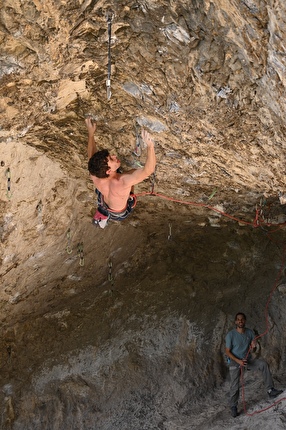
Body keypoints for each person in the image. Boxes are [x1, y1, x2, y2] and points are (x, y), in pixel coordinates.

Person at [86, 116, 156, 228]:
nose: (114, 156)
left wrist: (91, 134)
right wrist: (150, 146)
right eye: (111, 159)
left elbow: (91, 157)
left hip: (104, 201)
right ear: (108, 171)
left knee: (105, 201)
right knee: (132, 174)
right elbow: (148, 170)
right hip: (118, 213)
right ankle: (104, 218)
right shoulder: (122, 181)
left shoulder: (95, 173)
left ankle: (102, 215)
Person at [225, 312, 283, 418]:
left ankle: (270, 390)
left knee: (263, 364)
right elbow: (227, 352)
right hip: (235, 361)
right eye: (238, 319)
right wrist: (238, 361)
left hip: (247, 359)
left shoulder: (250, 332)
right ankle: (233, 406)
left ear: (245, 321)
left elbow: (254, 349)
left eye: (242, 319)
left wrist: (254, 346)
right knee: (234, 385)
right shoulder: (231, 335)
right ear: (235, 322)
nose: (240, 321)